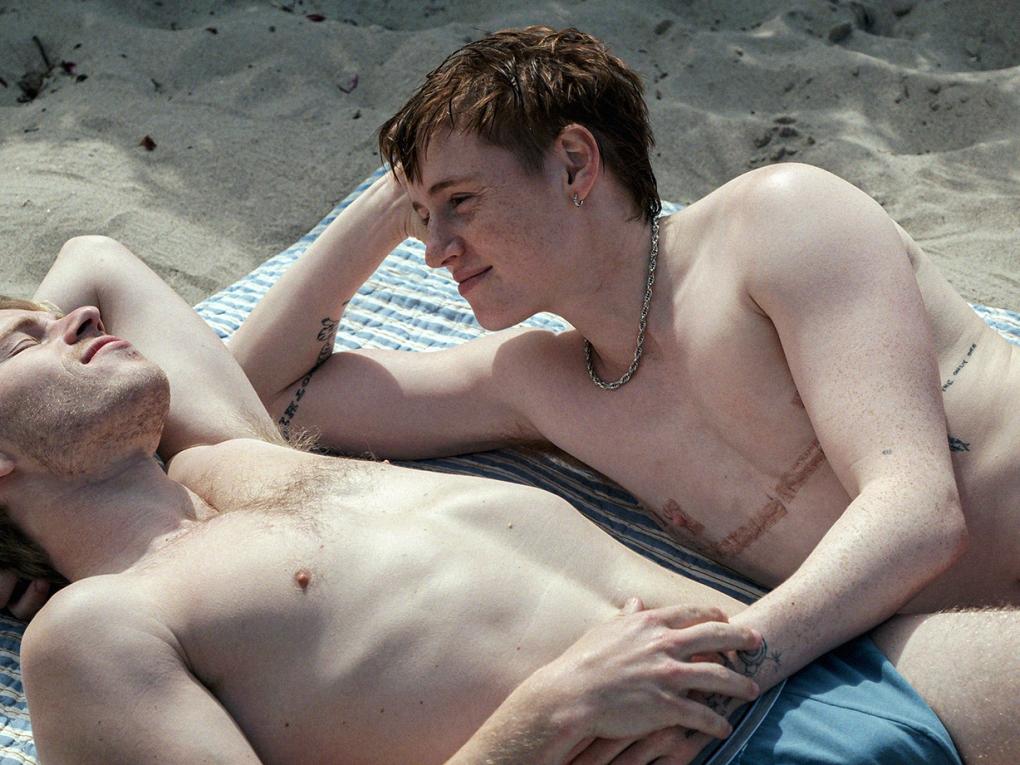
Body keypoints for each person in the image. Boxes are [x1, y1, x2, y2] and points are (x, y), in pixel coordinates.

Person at [226, 26, 1019, 764]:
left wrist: (717, 676)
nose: (434, 250)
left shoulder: (778, 224)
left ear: (575, 164)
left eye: (459, 202)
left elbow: (919, 511)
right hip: (958, 651)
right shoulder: (544, 383)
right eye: (420, 215)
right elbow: (257, 391)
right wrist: (381, 207)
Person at [0, 236, 1001, 764]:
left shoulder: (239, 463)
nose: (72, 317)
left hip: (819, 665)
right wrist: (543, 719)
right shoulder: (95, 631)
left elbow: (97, 257)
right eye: (23, 340)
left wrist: (410, 185)